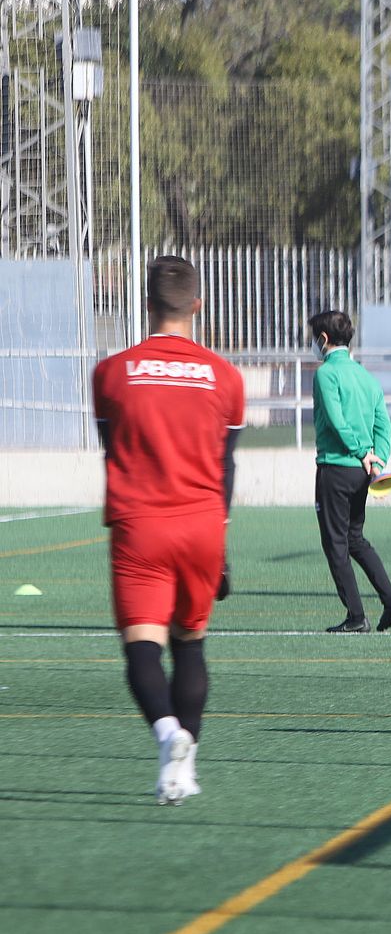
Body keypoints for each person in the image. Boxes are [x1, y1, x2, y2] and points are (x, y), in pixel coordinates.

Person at [92, 255, 245, 805]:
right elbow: (226, 465)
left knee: (141, 651)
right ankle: (183, 771)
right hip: (203, 524)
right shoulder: (226, 377)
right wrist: (220, 542)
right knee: (191, 645)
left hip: (140, 526)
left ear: (147, 304)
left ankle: (167, 735)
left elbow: (114, 447)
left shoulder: (111, 372)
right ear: (196, 305)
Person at [310, 309, 391, 633]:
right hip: (362, 473)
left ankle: (356, 616)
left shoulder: (326, 374)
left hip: (336, 467)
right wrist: (376, 460)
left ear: (323, 339)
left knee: (335, 543)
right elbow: (384, 426)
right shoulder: (366, 376)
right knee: (355, 538)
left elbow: (338, 422)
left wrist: (360, 451)